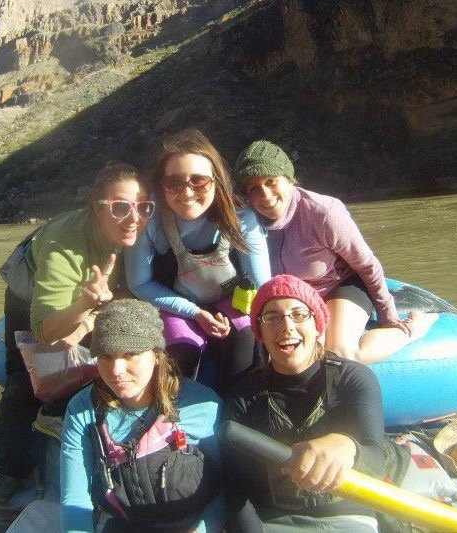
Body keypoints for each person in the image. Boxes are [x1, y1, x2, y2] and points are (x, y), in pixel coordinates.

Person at [0, 161, 156, 504]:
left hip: (97, 293)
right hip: (33, 297)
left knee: (105, 356)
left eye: (143, 207)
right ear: (97, 208)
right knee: (25, 382)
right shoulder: (64, 244)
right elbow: (45, 330)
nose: (134, 218)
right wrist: (83, 306)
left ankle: (91, 427)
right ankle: (10, 470)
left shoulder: (145, 227)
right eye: (120, 207)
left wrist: (92, 317)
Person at [234, 141, 437, 364]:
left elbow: (367, 265)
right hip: (294, 297)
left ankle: (412, 330)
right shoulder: (247, 224)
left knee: (340, 354)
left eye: (271, 182)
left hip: (338, 285)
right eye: (254, 189)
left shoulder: (324, 212)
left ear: (289, 180)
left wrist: (388, 314)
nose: (265, 194)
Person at [223, 274, 387, 532]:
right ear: (261, 333)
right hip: (274, 520)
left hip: (348, 517)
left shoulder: (354, 379)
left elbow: (378, 460)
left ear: (317, 325)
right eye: (272, 317)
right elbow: (234, 485)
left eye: (299, 314)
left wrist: (348, 446)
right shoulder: (243, 396)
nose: (286, 327)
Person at [125, 128, 271, 391]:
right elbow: (140, 284)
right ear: (161, 186)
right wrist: (195, 312)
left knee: (246, 340)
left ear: (216, 180)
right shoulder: (148, 220)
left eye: (199, 180)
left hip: (232, 303)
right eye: (174, 183)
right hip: (175, 304)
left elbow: (262, 284)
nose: (187, 192)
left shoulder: (243, 219)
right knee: (181, 354)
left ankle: (237, 411)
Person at [60, 299, 224, 532]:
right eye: (105, 356)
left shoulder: (203, 405)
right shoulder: (82, 410)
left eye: (130, 354)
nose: (116, 371)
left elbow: (225, 487)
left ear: (157, 355)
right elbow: (76, 500)